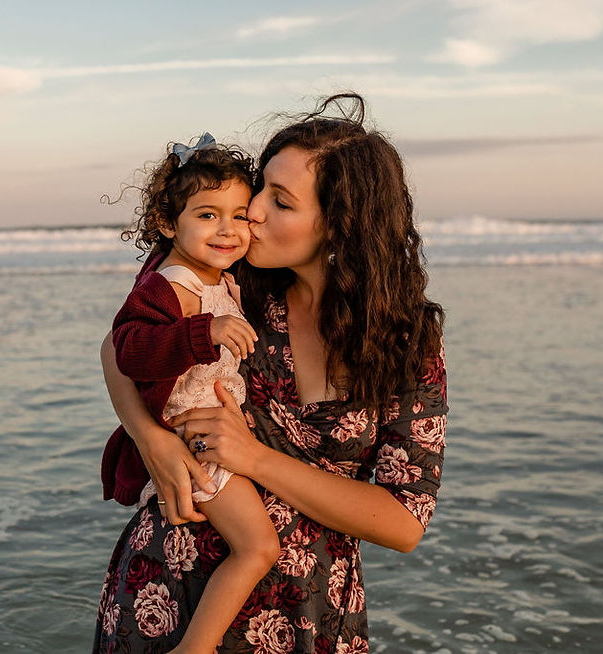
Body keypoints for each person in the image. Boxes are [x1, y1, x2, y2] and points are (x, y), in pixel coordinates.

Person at [94, 92, 447, 653]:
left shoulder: (402, 342)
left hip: (306, 614)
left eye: (280, 202)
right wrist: (152, 439)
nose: (252, 212)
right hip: (166, 592)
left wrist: (254, 457)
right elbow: (121, 347)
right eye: (262, 188)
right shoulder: (237, 289)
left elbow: (403, 521)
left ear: (341, 226)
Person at [101, 134, 281, 654]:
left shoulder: (215, 276)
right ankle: (195, 648)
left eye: (238, 215)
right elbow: (128, 348)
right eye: (207, 215)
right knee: (258, 546)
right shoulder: (173, 283)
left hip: (213, 434)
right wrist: (205, 332)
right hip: (197, 440)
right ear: (167, 222)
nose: (227, 229)